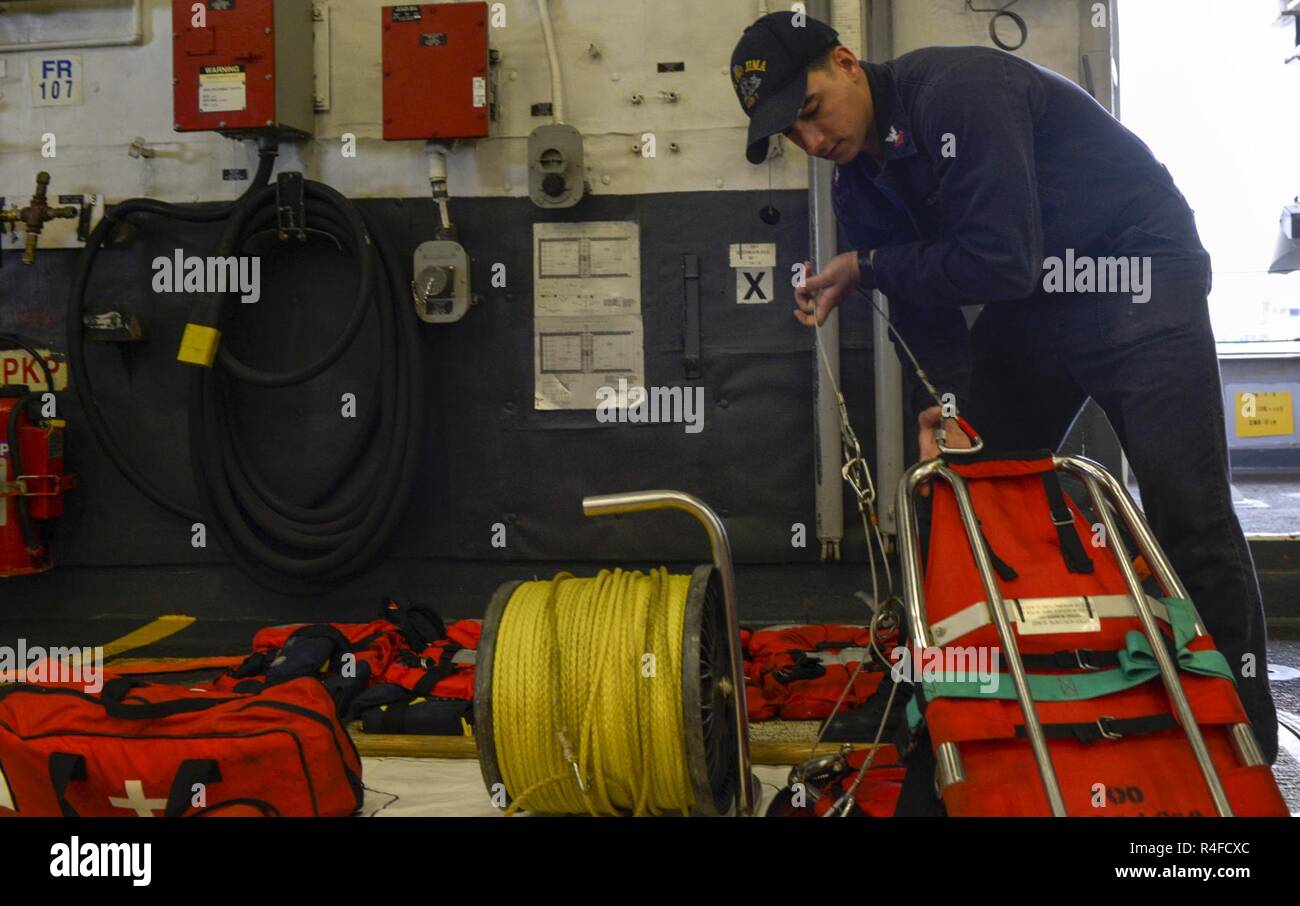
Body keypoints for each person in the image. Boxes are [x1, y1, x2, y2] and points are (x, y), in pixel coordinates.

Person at [728, 10, 1279, 771]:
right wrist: (945, 409)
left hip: (1138, 275)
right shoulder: (859, 185)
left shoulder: (959, 92)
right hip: (1039, 302)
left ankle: (1242, 741)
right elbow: (927, 323)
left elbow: (997, 261)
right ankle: (970, 700)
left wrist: (868, 267)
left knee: (1188, 516)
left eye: (812, 112)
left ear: (849, 63)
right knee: (956, 487)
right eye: (793, 136)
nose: (814, 143)